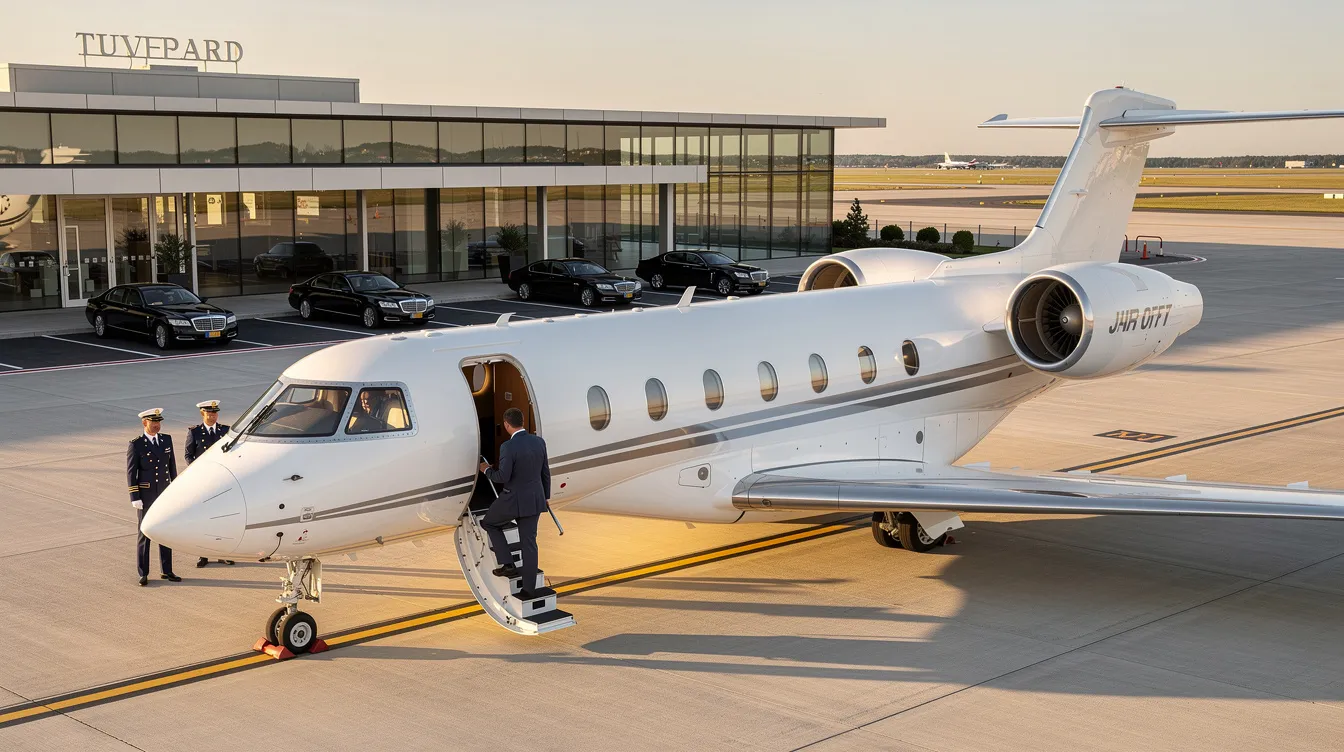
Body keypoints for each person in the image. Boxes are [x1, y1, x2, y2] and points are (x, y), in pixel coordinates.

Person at [478, 408, 549, 598]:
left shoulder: (508, 447)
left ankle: (508, 564)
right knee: (529, 544)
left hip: (513, 500)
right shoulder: (538, 441)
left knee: (490, 523)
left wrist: (486, 470)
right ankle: (529, 590)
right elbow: (545, 473)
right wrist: (546, 497)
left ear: (507, 425)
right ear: (522, 422)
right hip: (535, 499)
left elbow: (503, 476)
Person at [128, 408, 180, 586]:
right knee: (144, 534)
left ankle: (167, 570)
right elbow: (131, 472)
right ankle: (143, 572)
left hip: (164, 493)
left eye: (158, 422)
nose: (157, 425)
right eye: (153, 422)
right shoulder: (136, 444)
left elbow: (171, 466)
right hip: (146, 494)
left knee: (165, 531)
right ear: (144, 423)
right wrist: (135, 496)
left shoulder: (166, 439)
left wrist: (175, 489)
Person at [185, 400, 235, 568]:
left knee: (223, 518)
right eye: (209, 413)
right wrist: (199, 471)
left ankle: (223, 554)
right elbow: (188, 455)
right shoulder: (195, 432)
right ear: (202, 414)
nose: (212, 416)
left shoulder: (224, 430)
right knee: (205, 518)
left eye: (215, 413)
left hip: (222, 481)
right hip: (203, 482)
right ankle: (204, 554)